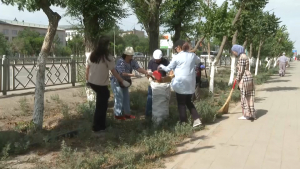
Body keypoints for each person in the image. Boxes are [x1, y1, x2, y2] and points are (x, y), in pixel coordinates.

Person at [86, 36, 130, 132]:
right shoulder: (108, 57)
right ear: (107, 46)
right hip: (101, 84)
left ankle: (99, 125)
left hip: (92, 82)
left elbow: (87, 68)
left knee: (101, 102)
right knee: (101, 105)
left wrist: (87, 81)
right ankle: (98, 127)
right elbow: (114, 72)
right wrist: (122, 81)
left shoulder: (92, 55)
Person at [159, 40, 202, 127]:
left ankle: (183, 123)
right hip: (190, 84)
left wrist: (161, 66)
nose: (176, 50)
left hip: (180, 83)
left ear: (178, 47)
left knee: (181, 103)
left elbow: (168, 69)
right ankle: (196, 119)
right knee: (188, 101)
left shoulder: (177, 57)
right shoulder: (192, 55)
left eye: (176, 48)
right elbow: (199, 61)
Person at [110, 47, 149, 120]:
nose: (132, 56)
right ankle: (118, 115)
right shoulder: (120, 61)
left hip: (125, 82)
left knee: (126, 97)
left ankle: (127, 114)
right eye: (131, 55)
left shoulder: (132, 61)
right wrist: (133, 75)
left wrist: (146, 72)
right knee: (119, 97)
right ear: (126, 55)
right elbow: (122, 73)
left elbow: (138, 68)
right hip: (117, 81)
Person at [232, 44, 256, 120]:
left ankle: (246, 115)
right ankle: (251, 113)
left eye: (233, 51)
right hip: (249, 78)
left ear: (236, 50)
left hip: (244, 79)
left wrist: (237, 79)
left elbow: (241, 70)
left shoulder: (242, 57)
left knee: (244, 97)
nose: (233, 53)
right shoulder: (245, 56)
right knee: (249, 96)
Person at [145, 49, 170, 117]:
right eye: (156, 59)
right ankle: (148, 115)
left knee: (163, 99)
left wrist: (166, 78)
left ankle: (163, 115)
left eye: (158, 59)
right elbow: (148, 73)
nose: (157, 60)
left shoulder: (165, 62)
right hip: (153, 83)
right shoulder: (151, 62)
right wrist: (149, 76)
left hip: (162, 84)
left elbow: (170, 71)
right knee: (150, 99)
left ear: (161, 58)